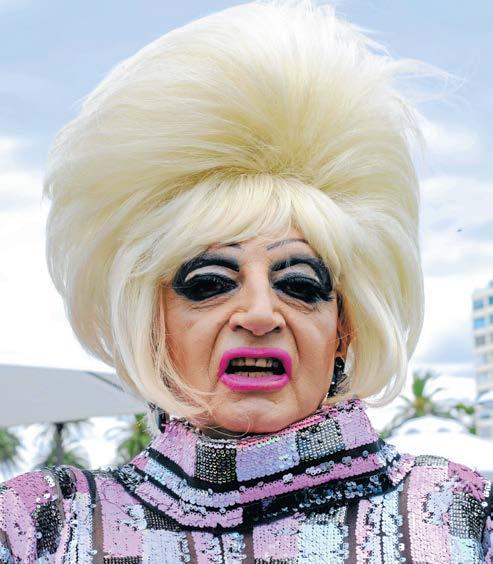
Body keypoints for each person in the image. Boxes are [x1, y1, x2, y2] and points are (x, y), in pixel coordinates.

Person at [1, 1, 492, 562]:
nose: (259, 314)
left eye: (300, 286)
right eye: (210, 283)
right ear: (154, 322)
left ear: (345, 328)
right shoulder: (40, 525)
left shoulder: (462, 516)